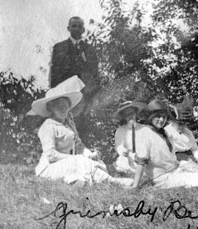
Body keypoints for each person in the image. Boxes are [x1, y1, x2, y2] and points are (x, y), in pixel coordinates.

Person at [31, 80, 132, 187]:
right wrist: (74, 158)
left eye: (65, 106)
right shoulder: (48, 126)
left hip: (68, 163)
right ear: (51, 108)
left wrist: (89, 154)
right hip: (50, 167)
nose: (63, 110)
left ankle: (111, 181)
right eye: (58, 106)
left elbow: (78, 145)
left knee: (91, 161)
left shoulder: (68, 123)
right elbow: (51, 155)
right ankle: (110, 181)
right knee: (79, 162)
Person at [130, 99, 198, 189]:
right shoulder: (145, 133)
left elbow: (176, 155)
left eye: (164, 116)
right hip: (162, 178)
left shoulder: (164, 132)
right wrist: (135, 185)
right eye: (158, 116)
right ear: (151, 116)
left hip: (175, 169)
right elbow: (141, 162)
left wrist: (191, 165)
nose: (162, 119)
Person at [49, 16, 99, 144]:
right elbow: (55, 74)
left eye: (79, 26)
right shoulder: (59, 47)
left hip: (83, 95)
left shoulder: (90, 50)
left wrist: (92, 96)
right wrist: (55, 94)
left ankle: (82, 156)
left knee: (82, 125)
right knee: (63, 122)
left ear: (83, 30)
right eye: (73, 26)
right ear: (68, 28)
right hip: (64, 94)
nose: (76, 29)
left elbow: (94, 74)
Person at [113, 101, 147, 174]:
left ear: (136, 114)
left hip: (142, 158)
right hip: (129, 158)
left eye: (132, 113)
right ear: (124, 117)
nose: (130, 116)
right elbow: (119, 146)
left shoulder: (144, 128)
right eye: (127, 114)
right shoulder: (121, 130)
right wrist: (123, 151)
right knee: (121, 163)